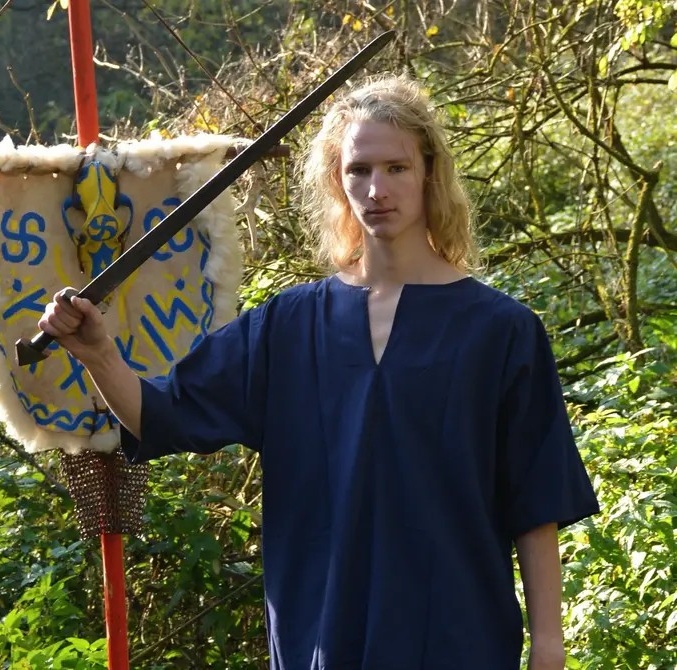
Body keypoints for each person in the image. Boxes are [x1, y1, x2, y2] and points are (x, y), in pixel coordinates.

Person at [38, 75, 599, 670]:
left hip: (458, 638)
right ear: (338, 179)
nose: (377, 189)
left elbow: (535, 502)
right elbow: (163, 416)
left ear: (429, 173)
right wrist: (97, 353)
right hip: (321, 638)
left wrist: (549, 644)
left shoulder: (501, 331)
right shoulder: (289, 324)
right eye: (359, 169)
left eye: (397, 168)